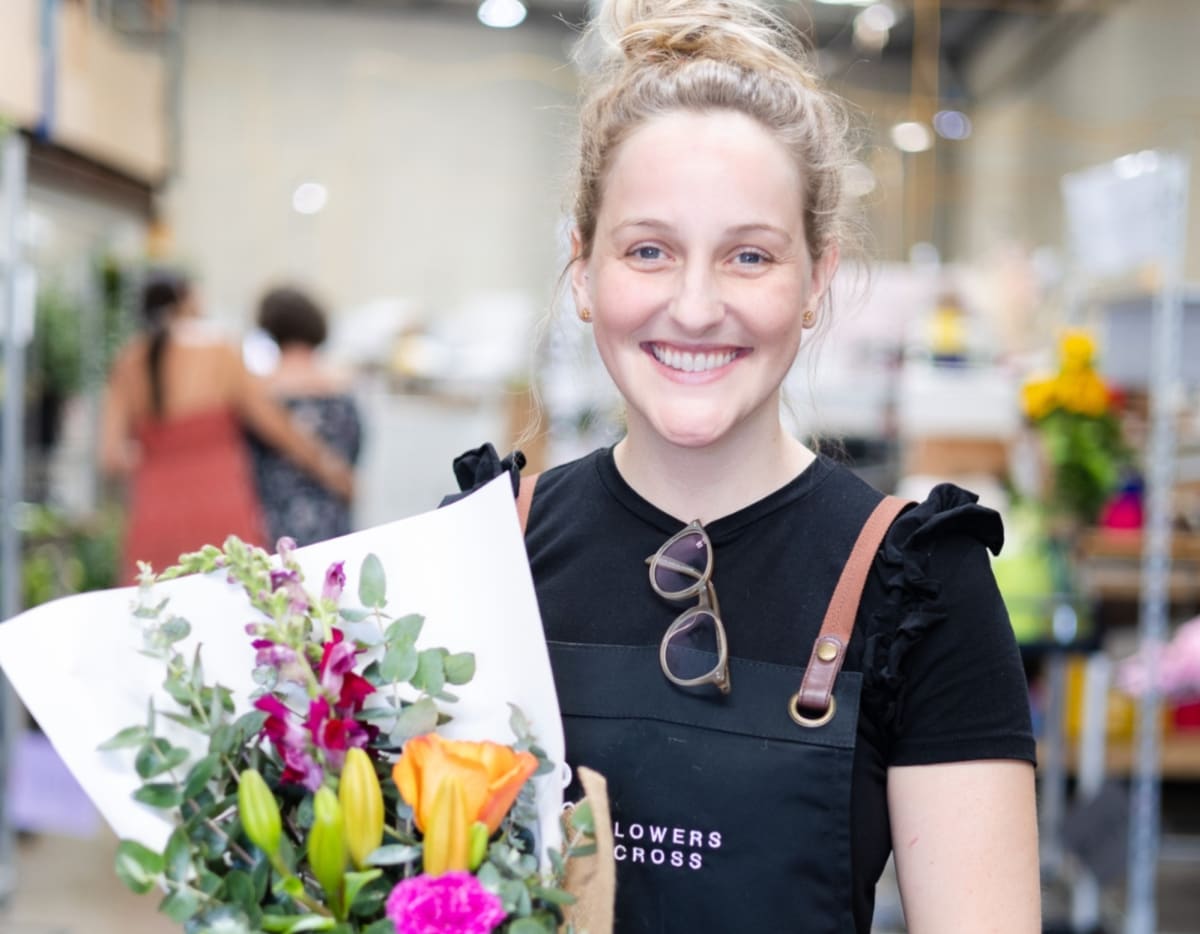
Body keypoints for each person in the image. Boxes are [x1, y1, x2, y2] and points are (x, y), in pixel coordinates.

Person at [445, 0, 1041, 930]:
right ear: (583, 270)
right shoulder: (487, 550)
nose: (693, 306)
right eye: (649, 251)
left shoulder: (920, 586)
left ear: (815, 280)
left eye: (749, 257)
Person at [100, 271, 354, 583]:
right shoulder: (219, 351)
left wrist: (162, 459)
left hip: (154, 508)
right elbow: (277, 427)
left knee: (159, 613)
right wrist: (331, 471)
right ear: (185, 300)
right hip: (219, 503)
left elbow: (111, 457)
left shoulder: (126, 362)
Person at [248, 285, 363, 546]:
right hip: (335, 519)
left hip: (276, 527)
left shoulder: (260, 391)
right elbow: (355, 452)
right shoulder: (343, 386)